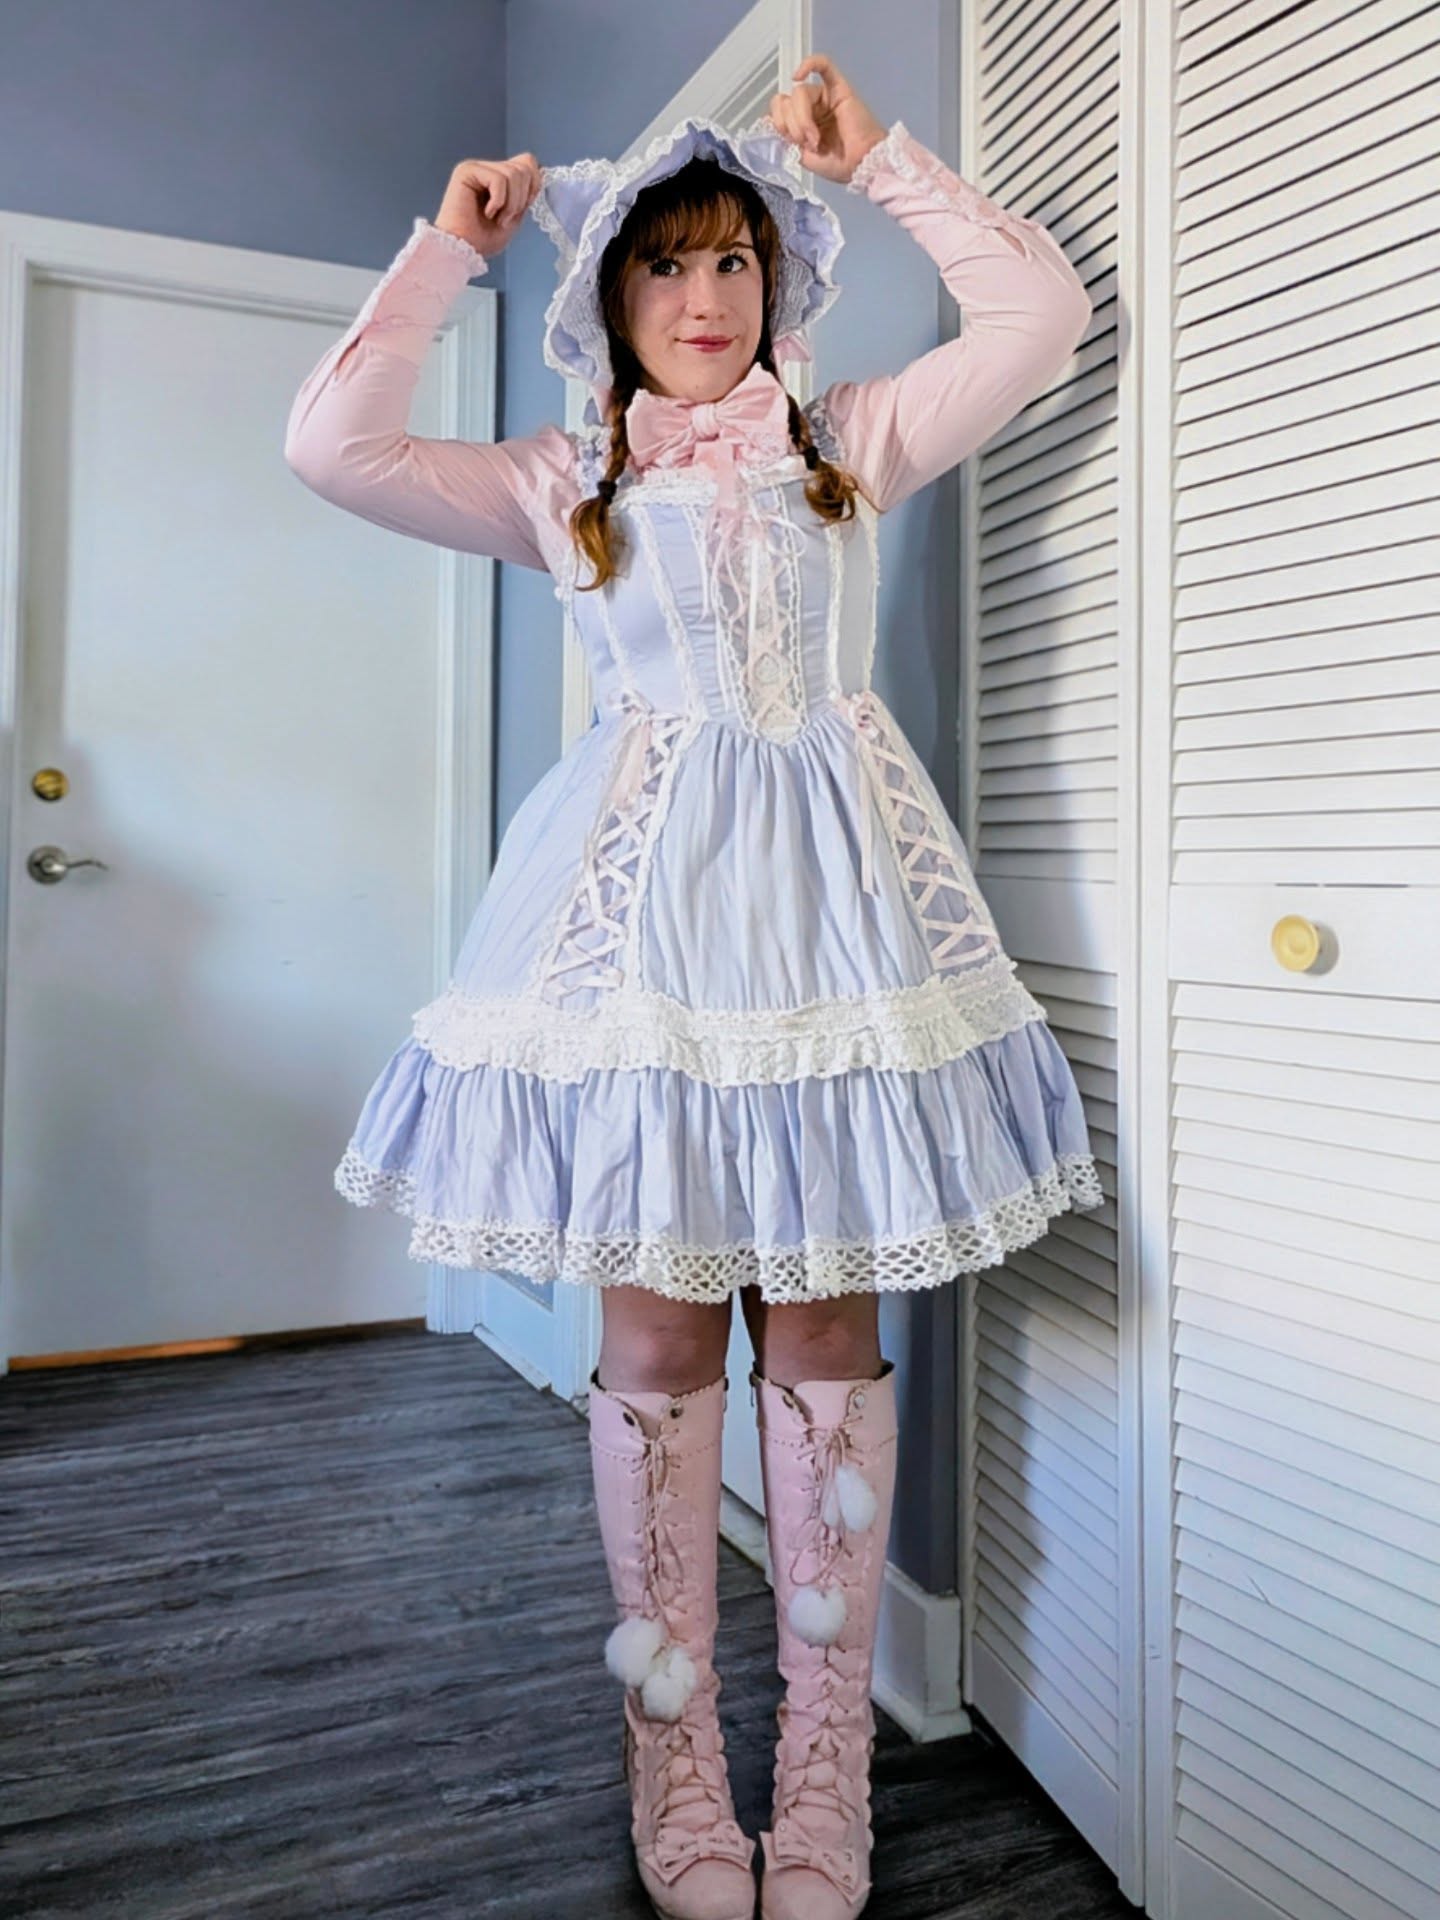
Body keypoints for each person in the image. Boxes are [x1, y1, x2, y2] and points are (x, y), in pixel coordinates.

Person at [285, 54, 1101, 1920]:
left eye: (736, 259)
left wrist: (882, 158)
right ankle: (672, 1755)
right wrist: (446, 250)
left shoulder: (848, 441)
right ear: (613, 297)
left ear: (775, 283)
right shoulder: (560, 478)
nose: (707, 294)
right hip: (635, 949)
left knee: (819, 1339)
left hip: (834, 949)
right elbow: (331, 447)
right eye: (667, 264)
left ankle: (823, 1773)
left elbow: (1039, 315)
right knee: (656, 1344)